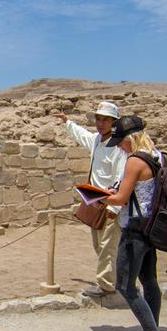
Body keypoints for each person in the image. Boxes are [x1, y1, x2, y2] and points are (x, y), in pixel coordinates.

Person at [103, 115, 166, 331]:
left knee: (125, 285)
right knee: (149, 281)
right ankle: (149, 330)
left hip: (135, 230)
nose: (119, 146)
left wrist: (97, 197)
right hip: (152, 227)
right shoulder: (158, 156)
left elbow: (120, 199)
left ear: (131, 138)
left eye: (121, 141)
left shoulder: (134, 161)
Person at [55, 102, 126, 297]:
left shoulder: (119, 148)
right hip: (95, 201)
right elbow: (81, 135)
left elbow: (121, 178)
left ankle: (106, 286)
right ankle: (116, 281)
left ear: (114, 122)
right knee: (99, 244)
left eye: (105, 120)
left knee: (107, 247)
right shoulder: (97, 140)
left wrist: (115, 209)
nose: (100, 123)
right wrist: (67, 121)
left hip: (111, 204)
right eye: (98, 119)